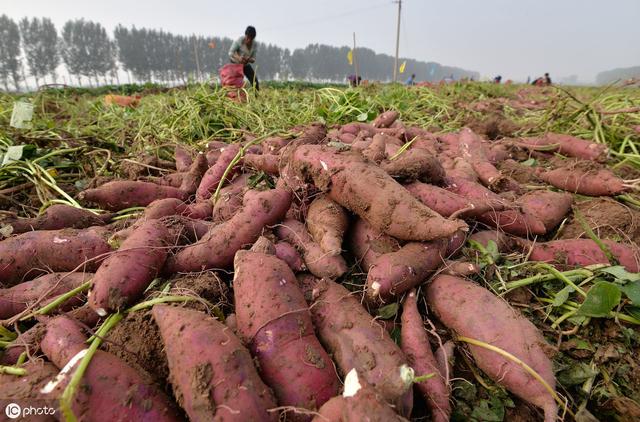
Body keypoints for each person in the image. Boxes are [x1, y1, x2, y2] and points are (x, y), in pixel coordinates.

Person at [228, 26, 259, 90]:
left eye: (251, 39)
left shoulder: (254, 44)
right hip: (235, 64)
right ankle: (233, 97)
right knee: (235, 83)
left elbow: (253, 59)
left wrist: (248, 59)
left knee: (255, 81)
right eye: (247, 38)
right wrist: (239, 58)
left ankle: (256, 97)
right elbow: (230, 53)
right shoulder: (239, 41)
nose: (248, 40)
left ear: (253, 38)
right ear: (245, 35)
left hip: (245, 64)